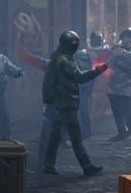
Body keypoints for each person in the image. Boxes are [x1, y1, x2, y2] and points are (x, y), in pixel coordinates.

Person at [40, 31, 108, 176]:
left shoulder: (58, 58)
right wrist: (98, 70)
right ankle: (86, 166)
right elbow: (80, 77)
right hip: (66, 104)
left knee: (56, 135)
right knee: (75, 136)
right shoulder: (65, 61)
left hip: (59, 102)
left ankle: (48, 164)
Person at [105, 28, 131, 140]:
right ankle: (121, 132)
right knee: (116, 110)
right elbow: (108, 64)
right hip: (113, 84)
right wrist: (114, 55)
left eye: (129, 40)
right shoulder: (115, 49)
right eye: (124, 39)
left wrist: (126, 54)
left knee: (126, 110)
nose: (126, 42)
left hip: (127, 85)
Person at [75, 31, 106, 139]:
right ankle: (86, 130)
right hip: (88, 80)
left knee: (82, 106)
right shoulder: (90, 52)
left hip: (85, 81)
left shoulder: (82, 53)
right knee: (83, 106)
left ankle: (85, 130)